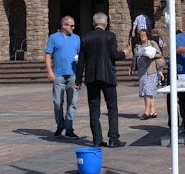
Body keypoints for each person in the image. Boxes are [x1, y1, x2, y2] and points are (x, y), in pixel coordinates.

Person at [76, 12, 129, 148]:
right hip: (107, 76)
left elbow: (81, 61)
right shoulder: (110, 36)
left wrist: (78, 80)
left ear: (94, 24)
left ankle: (97, 140)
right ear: (105, 24)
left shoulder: (86, 37)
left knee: (94, 109)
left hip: (91, 77)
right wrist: (124, 53)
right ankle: (113, 138)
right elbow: (114, 55)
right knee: (112, 107)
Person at [44, 15, 81, 138]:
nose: (73, 28)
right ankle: (60, 125)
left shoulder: (77, 39)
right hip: (58, 75)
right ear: (64, 25)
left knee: (72, 102)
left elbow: (81, 56)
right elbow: (48, 55)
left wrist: (80, 75)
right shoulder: (53, 38)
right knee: (58, 102)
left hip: (73, 75)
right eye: (71, 25)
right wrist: (50, 71)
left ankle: (69, 128)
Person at [131, 29, 161, 120]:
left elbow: (159, 55)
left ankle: (146, 112)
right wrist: (132, 67)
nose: (142, 37)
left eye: (144, 35)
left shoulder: (152, 43)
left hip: (150, 70)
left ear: (147, 35)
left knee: (148, 91)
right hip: (142, 71)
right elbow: (135, 57)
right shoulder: (137, 46)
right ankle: (153, 111)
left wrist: (150, 55)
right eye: (140, 35)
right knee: (147, 91)